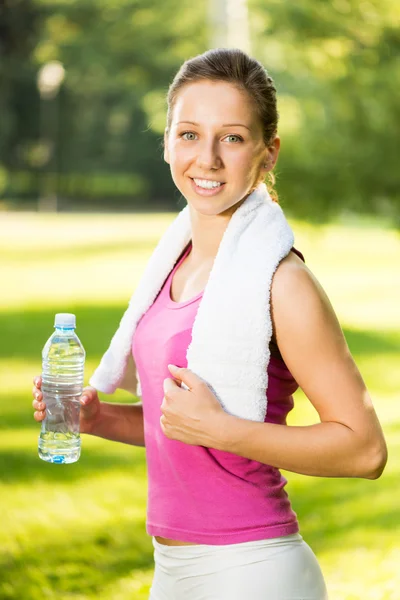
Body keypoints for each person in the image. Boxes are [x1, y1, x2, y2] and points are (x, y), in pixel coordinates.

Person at [32, 48, 387, 600]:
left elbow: (365, 450)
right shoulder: (173, 265)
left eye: (234, 138)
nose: (208, 159)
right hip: (173, 570)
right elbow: (183, 426)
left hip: (253, 570)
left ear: (268, 153)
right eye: (190, 134)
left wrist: (224, 430)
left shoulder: (281, 282)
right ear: (168, 142)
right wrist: (98, 419)